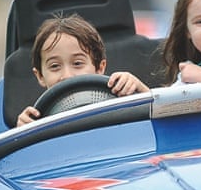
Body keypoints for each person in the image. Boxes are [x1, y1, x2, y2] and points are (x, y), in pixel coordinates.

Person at [17, 13, 149, 126]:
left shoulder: (121, 103)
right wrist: (23, 130)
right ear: (40, 76)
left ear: (99, 67)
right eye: (55, 66)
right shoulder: (36, 121)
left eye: (77, 63)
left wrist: (141, 92)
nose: (67, 76)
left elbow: (158, 119)